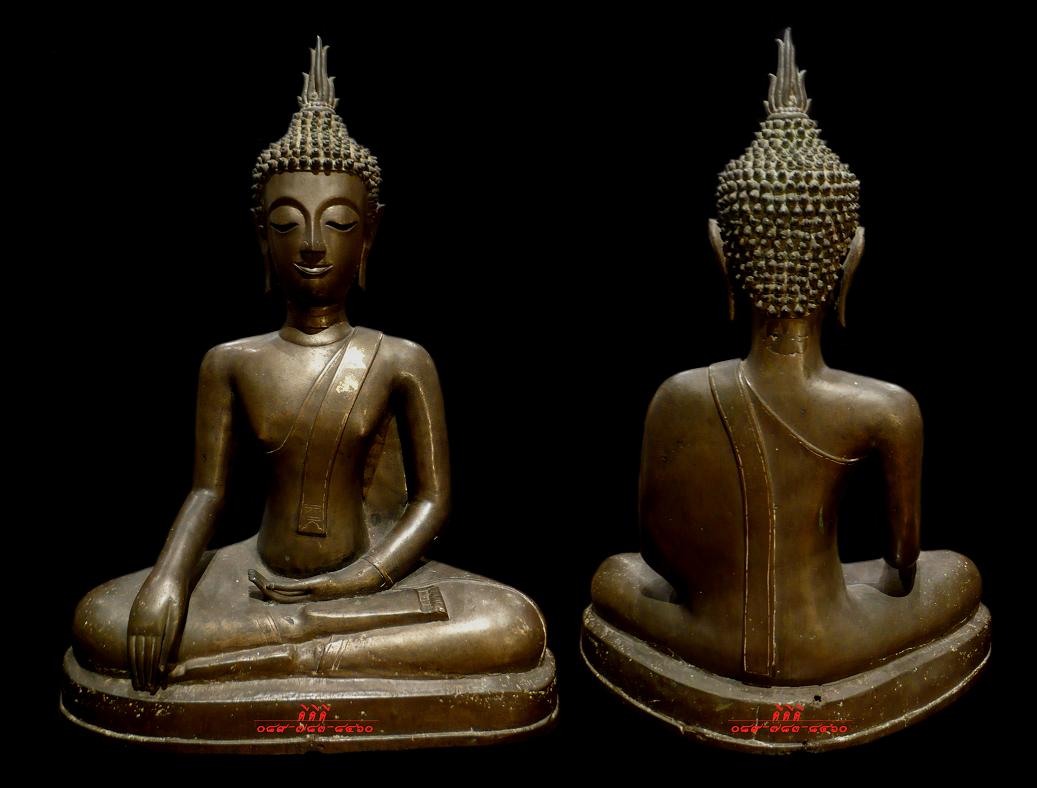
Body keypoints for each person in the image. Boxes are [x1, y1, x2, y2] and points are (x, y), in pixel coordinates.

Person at [65, 40, 551, 736]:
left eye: (339, 222)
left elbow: (432, 501)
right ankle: (313, 646)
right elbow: (207, 492)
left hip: (368, 581)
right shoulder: (231, 361)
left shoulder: (400, 359)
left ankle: (299, 643)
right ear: (261, 238)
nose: (315, 242)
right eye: (289, 223)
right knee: (103, 622)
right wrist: (168, 579)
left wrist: (359, 580)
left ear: (369, 235)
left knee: (512, 626)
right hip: (255, 580)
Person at [583, 31, 988, 747]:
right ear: (850, 261)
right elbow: (901, 563)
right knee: (956, 573)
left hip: (706, 638)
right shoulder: (886, 408)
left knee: (609, 577)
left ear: (721, 257)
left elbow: (655, 553)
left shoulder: (675, 396)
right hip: (829, 642)